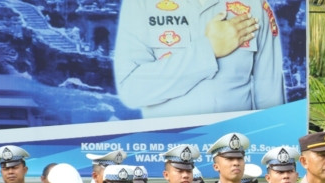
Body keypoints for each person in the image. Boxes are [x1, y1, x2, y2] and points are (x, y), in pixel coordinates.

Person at [114, 0, 286, 118]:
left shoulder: (253, 5)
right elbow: (132, 90)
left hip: (235, 151)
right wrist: (207, 50)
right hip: (167, 151)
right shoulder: (140, 3)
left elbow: (271, 104)